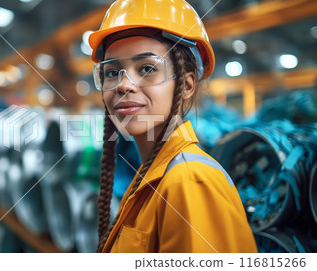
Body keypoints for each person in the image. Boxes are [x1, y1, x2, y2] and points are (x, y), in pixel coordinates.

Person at [89, 0, 258, 253]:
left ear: (188, 85)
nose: (124, 85)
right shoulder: (152, 176)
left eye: (147, 68)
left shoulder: (189, 182)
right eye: (112, 72)